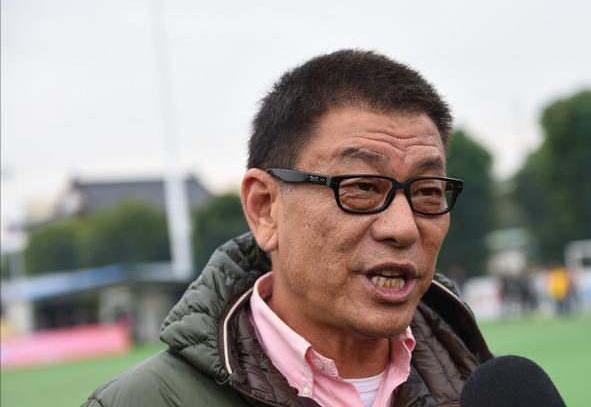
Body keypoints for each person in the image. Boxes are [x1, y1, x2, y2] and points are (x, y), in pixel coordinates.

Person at [82, 49, 493, 407]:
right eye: (363, 188)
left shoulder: (482, 386)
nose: (403, 228)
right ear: (264, 208)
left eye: (427, 191)